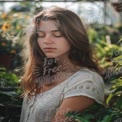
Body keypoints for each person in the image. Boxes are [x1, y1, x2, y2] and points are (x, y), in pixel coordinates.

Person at [20, 6, 104, 122]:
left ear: (74, 36)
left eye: (57, 34)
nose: (47, 40)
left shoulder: (86, 81)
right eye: (41, 35)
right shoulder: (43, 72)